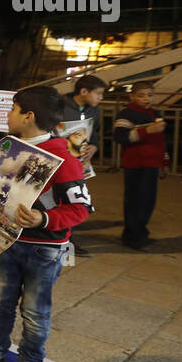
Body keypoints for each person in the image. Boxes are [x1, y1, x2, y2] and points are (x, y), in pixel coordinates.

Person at [0, 87, 93, 362]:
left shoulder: (63, 156)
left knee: (36, 311)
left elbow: (82, 207)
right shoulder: (9, 146)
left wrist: (44, 219)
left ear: (29, 116)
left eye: (13, 108)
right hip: (9, 241)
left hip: (44, 249)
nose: (8, 114)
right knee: (0, 304)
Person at [114, 80, 168, 251]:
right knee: (135, 201)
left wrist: (164, 161)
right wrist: (147, 130)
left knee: (148, 201)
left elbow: (161, 141)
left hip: (152, 164)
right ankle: (132, 236)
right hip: (135, 164)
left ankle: (140, 232)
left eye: (150, 95)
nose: (146, 99)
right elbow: (120, 136)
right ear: (132, 96)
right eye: (141, 95)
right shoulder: (127, 114)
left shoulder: (155, 113)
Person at [60, 74, 105, 258]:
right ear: (84, 91)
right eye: (98, 93)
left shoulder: (95, 111)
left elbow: (96, 134)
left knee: (74, 200)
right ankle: (57, 238)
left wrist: (94, 146)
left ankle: (69, 240)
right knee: (57, 200)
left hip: (79, 164)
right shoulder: (59, 105)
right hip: (59, 161)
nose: (101, 98)